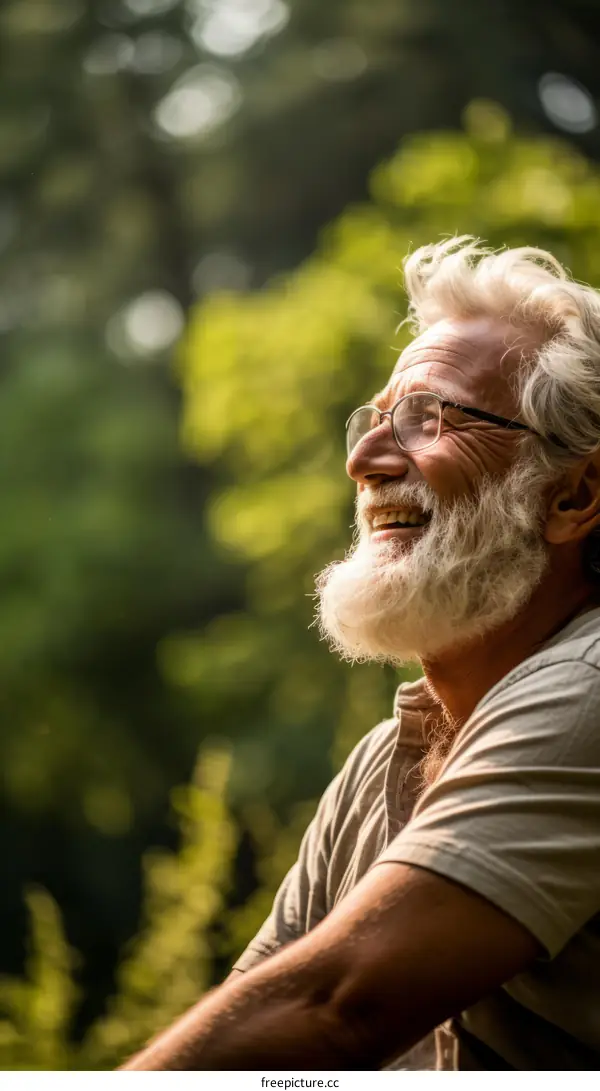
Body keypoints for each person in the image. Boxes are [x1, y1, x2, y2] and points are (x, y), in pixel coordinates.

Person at [121, 236, 600, 1071]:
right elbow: (277, 1044)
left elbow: (335, 1007)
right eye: (377, 419)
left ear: (575, 494)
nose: (364, 459)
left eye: (431, 418)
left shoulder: (589, 691)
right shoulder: (389, 755)